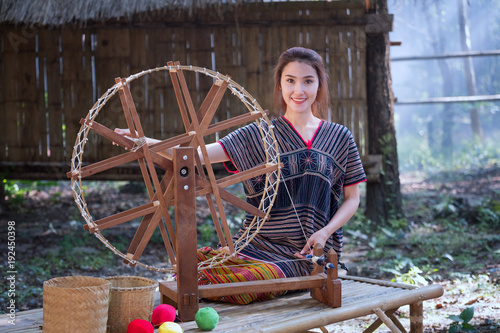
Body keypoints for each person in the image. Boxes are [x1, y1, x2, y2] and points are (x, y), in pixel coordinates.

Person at [115, 47, 366, 304]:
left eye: (308, 81)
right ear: (280, 85)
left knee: (242, 284)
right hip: (256, 245)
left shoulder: (340, 137)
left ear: (319, 85)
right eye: (290, 80)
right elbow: (197, 155)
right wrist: (144, 142)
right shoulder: (259, 134)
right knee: (191, 267)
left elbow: (352, 198)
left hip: (308, 256)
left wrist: (325, 232)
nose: (298, 91)